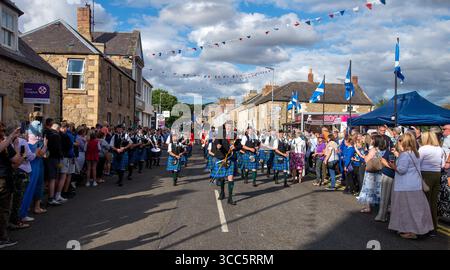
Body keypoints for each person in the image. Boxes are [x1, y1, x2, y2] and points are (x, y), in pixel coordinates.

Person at [388, 133, 434, 239]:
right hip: (415, 185)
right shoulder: (415, 153)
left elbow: (402, 170)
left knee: (406, 210)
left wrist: (393, 166)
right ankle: (420, 229)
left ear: (404, 142)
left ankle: (410, 231)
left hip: (405, 186)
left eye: (399, 140)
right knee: (416, 210)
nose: (397, 142)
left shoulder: (405, 154)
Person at [0, 125, 24, 248]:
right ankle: (2, 238)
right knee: (4, 209)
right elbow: (17, 161)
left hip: (4, 177)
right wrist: (13, 143)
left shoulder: (6, 144)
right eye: (2, 131)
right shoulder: (5, 144)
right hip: (3, 179)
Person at [419, 131, 446, 235]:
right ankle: (433, 228)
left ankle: (424, 227)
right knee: (433, 202)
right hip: (437, 174)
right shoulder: (440, 149)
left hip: (426, 175)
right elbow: (443, 165)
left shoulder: (423, 149)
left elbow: (417, 163)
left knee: (424, 201)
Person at [358, 135, 386, 213]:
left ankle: (368, 207)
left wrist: (364, 156)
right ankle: (382, 207)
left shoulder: (373, 149)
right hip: (379, 171)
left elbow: (367, 160)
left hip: (371, 172)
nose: (371, 140)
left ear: (375, 141)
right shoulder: (382, 149)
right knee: (378, 189)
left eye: (372, 139)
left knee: (368, 189)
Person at [211, 126, 237, 205]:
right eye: (228, 125)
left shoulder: (234, 135)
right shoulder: (221, 133)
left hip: (230, 158)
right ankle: (222, 192)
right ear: (225, 126)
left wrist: (235, 147)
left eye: (230, 125)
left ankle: (230, 198)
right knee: (222, 177)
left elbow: (239, 145)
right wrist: (218, 144)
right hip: (222, 157)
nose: (229, 127)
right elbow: (216, 141)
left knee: (230, 177)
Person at [374, 139, 397, 222]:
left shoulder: (405, 153)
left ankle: (391, 218)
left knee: (393, 199)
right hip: (388, 175)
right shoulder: (392, 151)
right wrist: (392, 167)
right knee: (384, 196)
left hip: (398, 177)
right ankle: (381, 215)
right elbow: (383, 160)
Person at [45, 121, 63, 206]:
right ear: (57, 129)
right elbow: (57, 149)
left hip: (47, 158)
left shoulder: (46, 133)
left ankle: (47, 198)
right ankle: (51, 198)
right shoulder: (56, 135)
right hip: (54, 158)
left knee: (48, 179)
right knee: (52, 179)